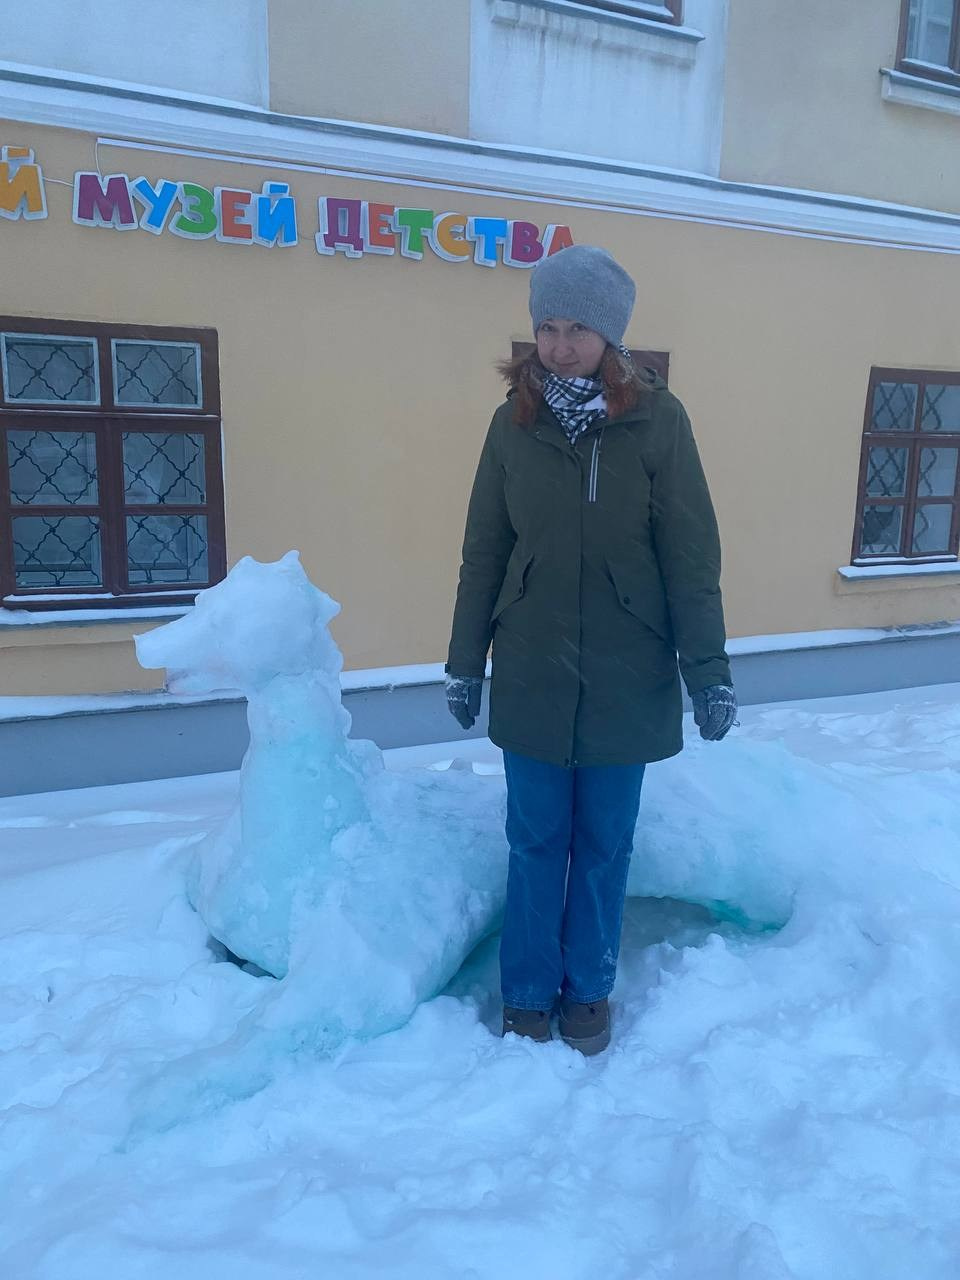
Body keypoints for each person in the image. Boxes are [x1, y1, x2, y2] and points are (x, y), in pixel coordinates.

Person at [445, 245, 736, 1055]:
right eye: (547, 325)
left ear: (610, 334)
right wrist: (466, 660)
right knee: (535, 840)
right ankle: (528, 993)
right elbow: (485, 551)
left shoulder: (657, 421)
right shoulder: (513, 424)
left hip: (626, 671)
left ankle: (590, 990)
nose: (560, 344)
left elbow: (690, 555)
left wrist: (707, 672)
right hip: (534, 667)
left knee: (605, 844)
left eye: (577, 327)